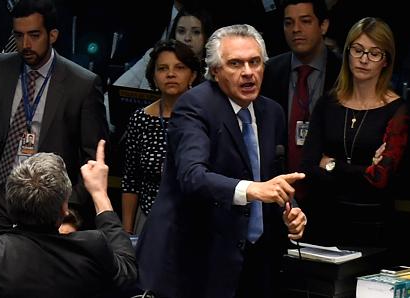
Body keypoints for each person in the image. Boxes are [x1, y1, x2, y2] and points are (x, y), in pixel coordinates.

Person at [136, 24, 307, 298]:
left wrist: (291, 209)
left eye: (254, 62)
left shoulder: (271, 112)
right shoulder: (194, 106)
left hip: (254, 260)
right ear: (215, 71)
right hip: (195, 260)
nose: (248, 72)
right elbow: (192, 176)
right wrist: (252, 189)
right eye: (235, 64)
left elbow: (274, 176)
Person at [0, 0, 108, 240]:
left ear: (52, 35)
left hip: (46, 203)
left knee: (33, 275)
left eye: (34, 35)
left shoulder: (82, 84)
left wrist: (71, 209)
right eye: (19, 35)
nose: (25, 44)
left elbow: (91, 156)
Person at [0, 140, 137, 297]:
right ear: (63, 210)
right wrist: (99, 194)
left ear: (9, 203)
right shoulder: (92, 247)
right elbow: (128, 272)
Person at [300, 17, 409, 247]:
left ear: (386, 60)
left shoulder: (399, 111)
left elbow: (381, 180)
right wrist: (363, 170)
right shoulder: (327, 103)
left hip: (373, 226)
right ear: (347, 52)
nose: (364, 59)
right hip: (323, 220)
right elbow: (308, 167)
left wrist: (332, 165)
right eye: (357, 50)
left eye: (374, 53)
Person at [121, 39, 202, 235]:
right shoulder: (140, 119)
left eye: (179, 68)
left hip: (195, 220)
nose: (171, 74)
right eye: (163, 68)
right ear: (154, 77)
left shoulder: (205, 117)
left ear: (192, 75)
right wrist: (126, 232)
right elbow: (131, 180)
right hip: (149, 218)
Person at [260, 0, 342, 176]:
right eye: (289, 23)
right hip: (277, 183)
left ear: (323, 26)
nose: (295, 29)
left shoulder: (344, 73)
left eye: (305, 21)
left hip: (329, 184)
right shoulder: (268, 71)